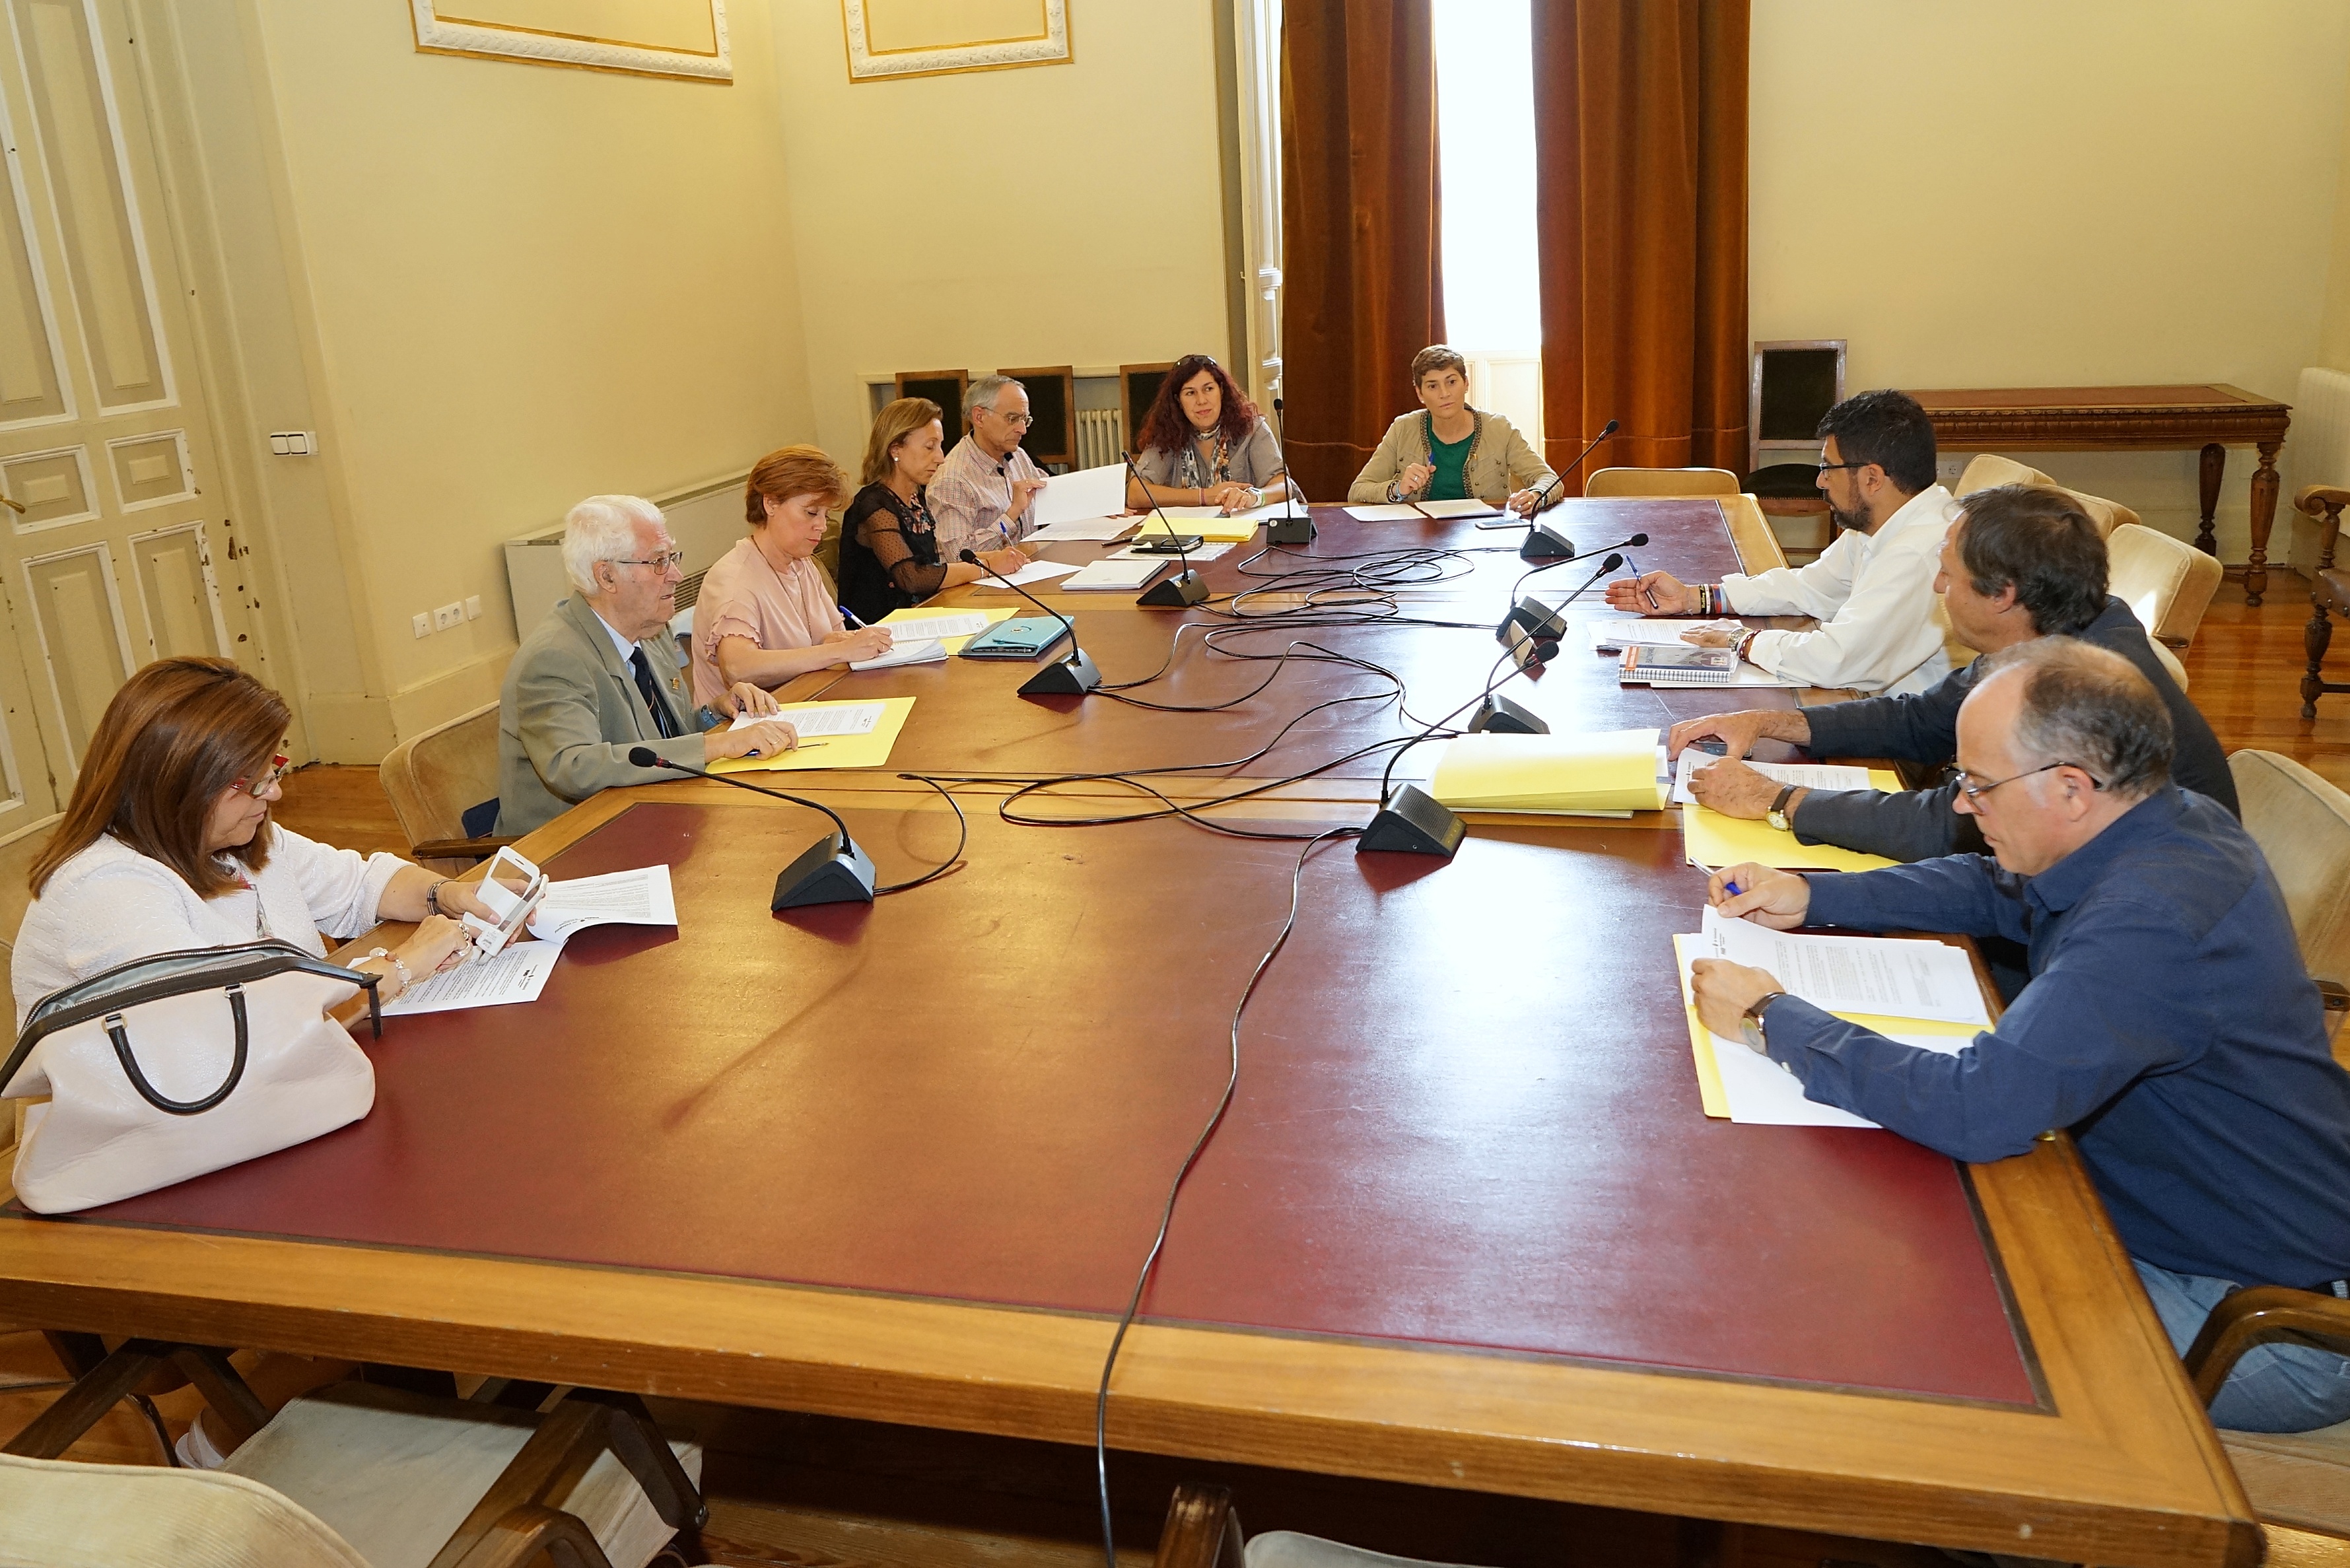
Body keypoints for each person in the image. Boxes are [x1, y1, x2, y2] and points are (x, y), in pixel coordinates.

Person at [1691, 638, 2350, 1435]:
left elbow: (1979, 1107)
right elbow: (1993, 887)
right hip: (2175, 1216)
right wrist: (1812, 896)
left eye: (1977, 784)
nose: (1962, 806)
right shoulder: (2154, 821)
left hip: (2264, 1320)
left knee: (1876, 1309)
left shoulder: (2152, 920)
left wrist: (1771, 1016)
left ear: (2070, 787)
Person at [9, 656, 508, 1466]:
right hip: (147, 1172)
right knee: (382, 1264)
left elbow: (358, 881)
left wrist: (446, 895)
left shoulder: (236, 841)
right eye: (252, 779)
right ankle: (225, 1443)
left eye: (274, 765)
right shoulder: (108, 891)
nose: (274, 792)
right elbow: (220, 1050)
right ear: (178, 783)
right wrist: (400, 967)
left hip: (248, 1133)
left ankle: (364, 1424)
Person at [1671, 483, 2239, 862]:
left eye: (1948, 574)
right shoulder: (2054, 626)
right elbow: (1921, 721)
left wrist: (1778, 800)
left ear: (2002, 594)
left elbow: (1948, 826)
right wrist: (1769, 722)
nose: (1938, 586)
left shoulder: (2079, 690)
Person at [1606, 389, 1955, 695]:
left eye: (1828, 468)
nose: (1820, 482)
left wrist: (1740, 640)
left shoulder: (1918, 552)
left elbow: (1835, 660)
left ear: (1872, 478)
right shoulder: (1885, 522)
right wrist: (1693, 597)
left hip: (1903, 734)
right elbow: (1810, 587)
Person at [497, 494, 800, 836]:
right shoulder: (554, 659)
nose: (676, 575)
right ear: (607, 577)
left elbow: (664, 738)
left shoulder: (650, 631)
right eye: (658, 562)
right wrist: (719, 745)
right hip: (576, 839)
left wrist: (715, 712)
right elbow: (576, 767)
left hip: (657, 810)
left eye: (671, 558)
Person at [690, 446, 893, 706]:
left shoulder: (802, 563)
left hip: (802, 701)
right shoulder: (736, 580)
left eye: (826, 515)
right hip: (745, 723)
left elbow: (827, 638)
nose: (822, 526)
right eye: (811, 512)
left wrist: (849, 642)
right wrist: (838, 650)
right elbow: (738, 668)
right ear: (771, 503)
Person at [837, 398, 1027, 625]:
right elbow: (912, 577)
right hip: (879, 630)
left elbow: (932, 562)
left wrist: (992, 557)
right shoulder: (874, 505)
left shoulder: (916, 498)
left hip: (921, 619)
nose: (940, 458)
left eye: (940, 446)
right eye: (930, 447)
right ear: (895, 450)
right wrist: (987, 568)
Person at [1347, 345, 1557, 514]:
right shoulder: (1403, 429)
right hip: (1419, 538)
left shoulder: (1499, 428)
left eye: (1452, 382)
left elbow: (1548, 478)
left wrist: (1536, 495)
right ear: (1420, 394)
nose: (1445, 393)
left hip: (1485, 537)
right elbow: (1358, 490)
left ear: (1466, 384)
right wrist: (1399, 489)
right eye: (1433, 386)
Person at [1126, 353, 1290, 513]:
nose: (1202, 401)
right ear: (1178, 401)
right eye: (1190, 393)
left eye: (1209, 389)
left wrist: (1255, 497)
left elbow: (1284, 486)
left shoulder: (1251, 427)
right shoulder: (1167, 431)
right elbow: (1135, 494)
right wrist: (1203, 496)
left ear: (1222, 391)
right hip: (1183, 529)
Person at [928, 375, 1050, 561]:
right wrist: (1013, 513)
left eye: (1025, 420)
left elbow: (1050, 491)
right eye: (1012, 418)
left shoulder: (1018, 456)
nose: (1022, 430)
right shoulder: (953, 480)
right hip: (986, 579)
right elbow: (960, 556)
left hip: (1030, 566)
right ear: (979, 417)